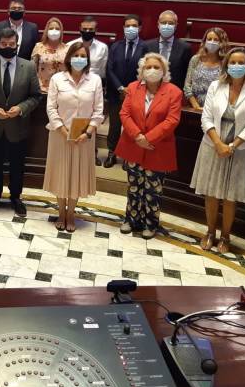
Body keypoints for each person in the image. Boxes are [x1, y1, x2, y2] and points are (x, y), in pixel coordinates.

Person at [190, 47, 245, 254]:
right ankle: (210, 232)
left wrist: (231, 146)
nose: (237, 66)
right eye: (233, 62)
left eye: (241, 63)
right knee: (211, 193)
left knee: (230, 196)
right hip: (212, 144)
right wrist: (219, 144)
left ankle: (225, 236)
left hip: (240, 149)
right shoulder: (216, 86)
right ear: (226, 65)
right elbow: (205, 118)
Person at [115, 53, 182, 239]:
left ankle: (150, 224)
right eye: (148, 67)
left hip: (157, 148)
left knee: (153, 190)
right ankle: (131, 219)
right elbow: (124, 114)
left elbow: (172, 120)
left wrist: (149, 138)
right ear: (142, 70)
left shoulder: (174, 92)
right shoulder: (133, 87)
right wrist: (137, 135)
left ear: (164, 71)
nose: (152, 70)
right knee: (134, 186)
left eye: (156, 67)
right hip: (134, 145)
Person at [0, 27, 42, 216]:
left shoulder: (28, 66)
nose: (7, 47)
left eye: (11, 44)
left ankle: (15, 198)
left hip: (18, 127)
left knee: (17, 166)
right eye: (4, 44)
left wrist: (21, 108)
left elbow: (36, 96)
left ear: (17, 45)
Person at [43, 42, 104, 232]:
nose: (79, 59)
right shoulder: (57, 79)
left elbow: (99, 110)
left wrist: (88, 132)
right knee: (61, 175)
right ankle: (61, 212)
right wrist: (62, 129)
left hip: (83, 138)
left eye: (82, 56)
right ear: (69, 58)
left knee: (76, 176)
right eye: (76, 55)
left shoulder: (94, 80)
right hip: (60, 135)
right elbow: (51, 107)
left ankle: (71, 214)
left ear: (87, 59)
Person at [104, 15, 147, 167]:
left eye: (134, 25)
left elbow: (146, 71)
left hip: (137, 94)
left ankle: (128, 156)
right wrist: (121, 88)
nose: (130, 28)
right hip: (116, 93)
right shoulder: (115, 46)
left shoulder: (145, 47)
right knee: (114, 124)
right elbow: (109, 69)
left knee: (131, 126)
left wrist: (132, 89)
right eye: (127, 25)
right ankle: (112, 153)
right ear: (123, 28)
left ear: (140, 28)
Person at [68, 16, 109, 166]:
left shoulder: (102, 47)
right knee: (73, 116)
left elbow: (104, 71)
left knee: (93, 120)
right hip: (74, 85)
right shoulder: (71, 45)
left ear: (96, 30)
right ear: (79, 28)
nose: (87, 31)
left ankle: (93, 153)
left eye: (90, 29)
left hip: (93, 87)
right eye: (84, 29)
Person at [144, 10, 191, 91]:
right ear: (158, 24)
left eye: (171, 23)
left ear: (176, 26)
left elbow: (186, 75)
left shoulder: (185, 48)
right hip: (150, 90)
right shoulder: (147, 46)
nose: (167, 25)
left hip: (174, 92)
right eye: (163, 22)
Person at [184, 27, 229, 109]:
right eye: (209, 39)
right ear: (204, 42)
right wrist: (195, 105)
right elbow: (187, 85)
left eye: (216, 40)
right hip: (193, 107)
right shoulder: (196, 59)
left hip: (216, 108)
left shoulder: (226, 63)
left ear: (222, 43)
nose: (212, 42)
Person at [31, 17, 68, 94]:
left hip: (61, 90)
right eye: (51, 28)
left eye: (57, 29)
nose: (54, 31)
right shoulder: (38, 47)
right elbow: (32, 69)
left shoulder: (67, 49)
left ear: (61, 31)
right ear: (46, 30)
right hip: (42, 90)